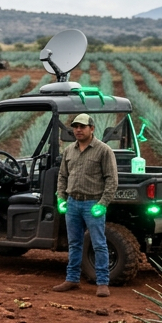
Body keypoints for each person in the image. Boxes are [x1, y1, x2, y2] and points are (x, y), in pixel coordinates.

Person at [52, 112, 119, 298]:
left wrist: (103, 203)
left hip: (93, 203)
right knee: (74, 243)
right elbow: (62, 176)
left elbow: (112, 179)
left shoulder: (103, 150)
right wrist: (61, 198)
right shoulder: (69, 151)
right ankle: (72, 279)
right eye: (75, 127)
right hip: (72, 203)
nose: (78, 130)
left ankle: (102, 283)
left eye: (82, 126)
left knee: (99, 244)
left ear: (92, 128)